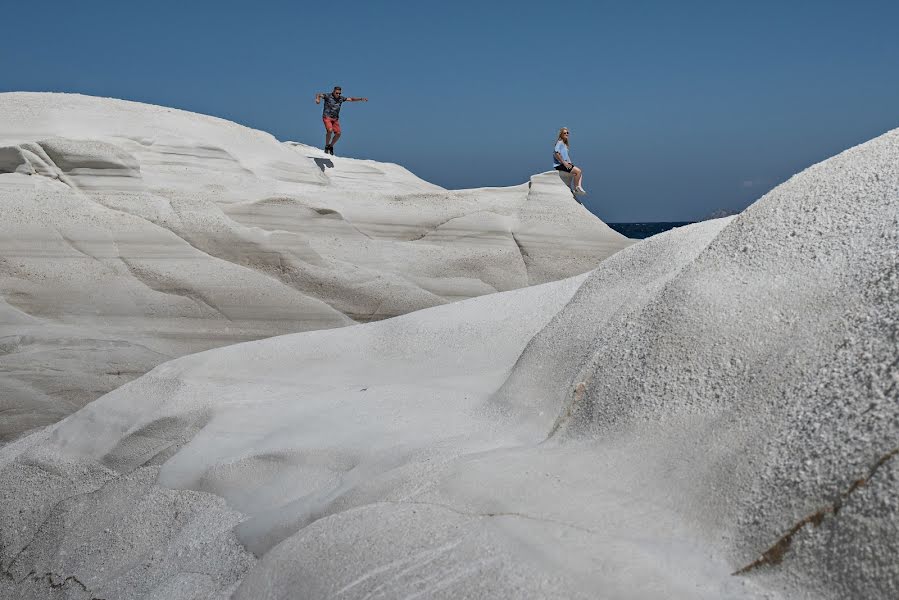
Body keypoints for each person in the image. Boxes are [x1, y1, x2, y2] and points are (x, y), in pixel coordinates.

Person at [315, 86, 368, 155]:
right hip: (327, 117)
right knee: (330, 130)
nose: (338, 95)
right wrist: (317, 99)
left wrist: (361, 99)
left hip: (335, 119)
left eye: (339, 93)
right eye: (337, 93)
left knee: (338, 134)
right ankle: (327, 145)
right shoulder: (327, 96)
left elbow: (351, 99)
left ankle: (331, 146)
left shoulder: (341, 98)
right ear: (333, 92)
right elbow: (318, 94)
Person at [553, 127, 586, 195]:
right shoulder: (559, 142)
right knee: (578, 171)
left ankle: (578, 187)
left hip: (564, 163)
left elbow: (566, 156)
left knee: (579, 173)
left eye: (567, 133)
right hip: (560, 165)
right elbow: (556, 153)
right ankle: (576, 188)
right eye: (565, 133)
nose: (567, 134)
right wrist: (564, 162)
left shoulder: (564, 144)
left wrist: (570, 162)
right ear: (561, 134)